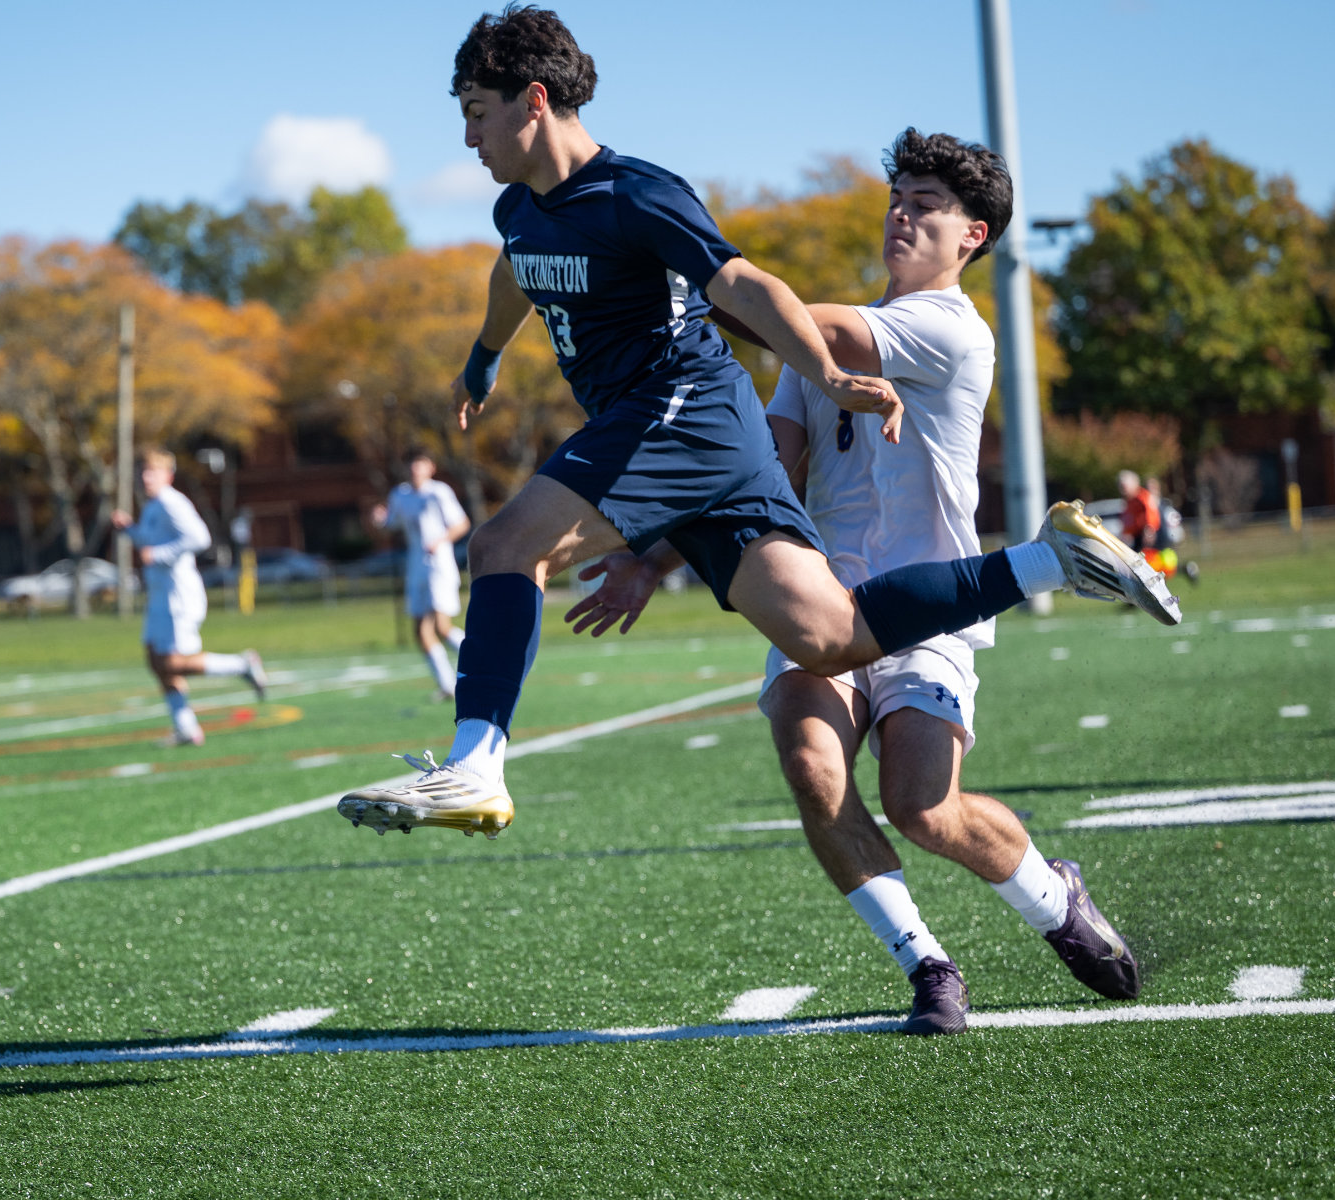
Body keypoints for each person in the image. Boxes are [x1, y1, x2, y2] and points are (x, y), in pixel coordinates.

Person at [336, 6, 1178, 841]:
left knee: (502, 546)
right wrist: (483, 358)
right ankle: (1051, 559)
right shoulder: (518, 210)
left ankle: (477, 765)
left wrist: (829, 376)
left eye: (475, 114)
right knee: (828, 636)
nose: (467, 138)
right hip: (700, 439)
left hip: (680, 412)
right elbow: (515, 275)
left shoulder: (635, 192)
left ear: (531, 100)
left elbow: (743, 285)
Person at [743, 130, 1139, 1034]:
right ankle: (927, 966)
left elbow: (798, 324)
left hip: (927, 607)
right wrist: (653, 555)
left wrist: (696, 289)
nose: (902, 213)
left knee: (920, 806)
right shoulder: (812, 351)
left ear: (974, 237)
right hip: (821, 606)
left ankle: (1051, 897)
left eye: (927, 203)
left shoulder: (948, 328)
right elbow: (771, 469)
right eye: (899, 197)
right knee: (813, 769)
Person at [112, 449, 267, 747]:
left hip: (178, 595)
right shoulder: (153, 506)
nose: (145, 477)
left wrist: (159, 554)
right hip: (159, 595)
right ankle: (186, 728)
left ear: (167, 476)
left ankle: (242, 664)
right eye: (142, 471)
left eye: (152, 472)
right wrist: (130, 529)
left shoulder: (172, 502)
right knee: (156, 660)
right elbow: (149, 542)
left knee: (173, 662)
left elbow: (199, 538)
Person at [372, 448, 471, 699]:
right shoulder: (400, 495)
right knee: (421, 631)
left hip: (439, 566)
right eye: (412, 464)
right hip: (416, 568)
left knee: (442, 626)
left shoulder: (439, 492)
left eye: (421, 464)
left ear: (431, 468)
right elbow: (389, 526)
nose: (416, 469)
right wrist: (378, 520)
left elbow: (461, 524)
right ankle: (448, 686)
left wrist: (440, 541)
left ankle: (489, 663)